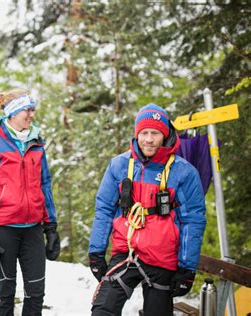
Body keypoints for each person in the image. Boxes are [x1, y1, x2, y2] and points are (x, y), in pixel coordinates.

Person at [88, 104, 207, 316]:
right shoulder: (119, 165)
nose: (149, 140)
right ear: (137, 134)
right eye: (144, 133)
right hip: (126, 254)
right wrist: (96, 252)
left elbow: (193, 220)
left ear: (165, 134)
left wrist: (187, 268)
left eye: (155, 133)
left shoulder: (183, 172)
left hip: (162, 258)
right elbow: (104, 209)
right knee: (102, 310)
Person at [0, 88, 60, 315]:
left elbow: (45, 185)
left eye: (32, 110)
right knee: (6, 292)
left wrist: (51, 226)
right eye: (26, 110)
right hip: (3, 229)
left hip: (33, 229)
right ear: (12, 112)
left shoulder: (36, 143)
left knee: (36, 293)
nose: (31, 114)